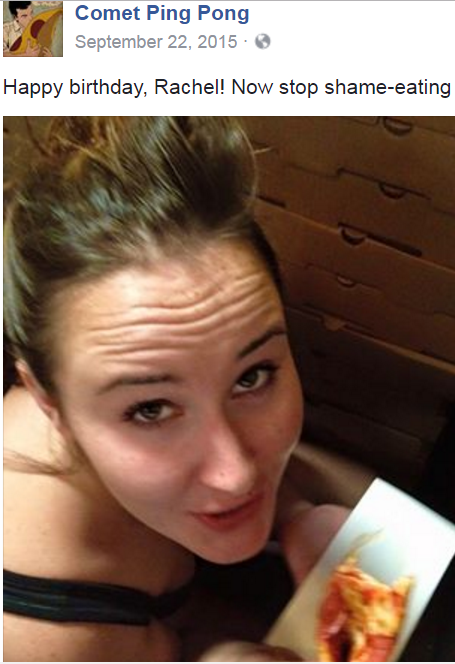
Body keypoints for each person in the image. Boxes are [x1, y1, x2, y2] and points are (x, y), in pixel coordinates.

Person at [3, 117, 368, 661]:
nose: (236, 473)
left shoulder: (96, 384)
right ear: (48, 401)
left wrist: (297, 514)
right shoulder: (54, 638)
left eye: (251, 377)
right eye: (150, 409)